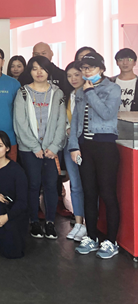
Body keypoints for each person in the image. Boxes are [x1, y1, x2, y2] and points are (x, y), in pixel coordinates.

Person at [69, 52, 122, 259]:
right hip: (85, 147)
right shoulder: (80, 90)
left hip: (105, 146)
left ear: (101, 68)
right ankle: (91, 237)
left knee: (107, 193)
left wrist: (90, 92)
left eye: (90, 67)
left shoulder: (112, 88)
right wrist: (74, 146)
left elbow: (107, 114)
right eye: (83, 68)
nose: (86, 71)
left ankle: (111, 241)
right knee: (89, 193)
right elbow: (75, 120)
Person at [13, 56, 67, 239]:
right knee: (33, 184)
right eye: (34, 68)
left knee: (51, 185)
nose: (39, 72)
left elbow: (61, 122)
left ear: (48, 70)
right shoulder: (23, 93)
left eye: (42, 68)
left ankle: (50, 222)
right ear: (30, 71)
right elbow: (20, 122)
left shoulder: (57, 93)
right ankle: (34, 221)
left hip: (52, 149)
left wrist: (54, 146)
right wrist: (34, 146)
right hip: (29, 149)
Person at [0, 131, 28, 258]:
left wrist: (7, 217)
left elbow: (22, 201)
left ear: (7, 148)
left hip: (14, 211)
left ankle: (3, 238)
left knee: (13, 252)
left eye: (0, 145)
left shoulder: (17, 170)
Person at [63, 61, 87, 241]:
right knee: (75, 185)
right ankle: (78, 223)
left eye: (76, 75)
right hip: (69, 144)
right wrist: (67, 129)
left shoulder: (90, 94)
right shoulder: (69, 95)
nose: (73, 79)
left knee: (89, 184)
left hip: (86, 146)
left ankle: (88, 223)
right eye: (69, 76)